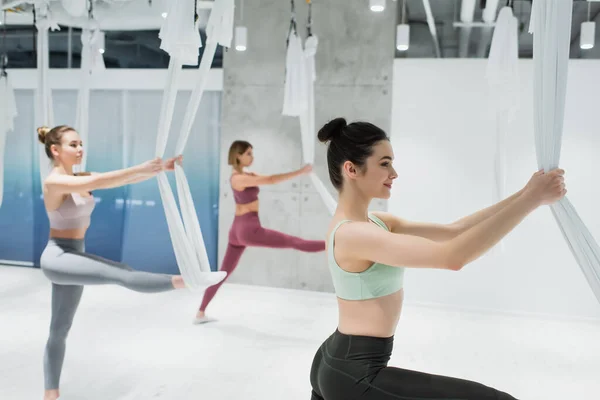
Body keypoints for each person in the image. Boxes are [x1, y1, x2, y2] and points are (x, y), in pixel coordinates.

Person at [309, 118, 566, 400]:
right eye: (384, 163)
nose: (394, 173)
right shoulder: (354, 234)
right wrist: (530, 201)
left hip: (338, 359)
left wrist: (528, 194)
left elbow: (453, 231)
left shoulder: (376, 223)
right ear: (351, 169)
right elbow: (453, 257)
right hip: (354, 373)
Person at [37, 125, 225, 400]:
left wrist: (161, 169)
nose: (80, 149)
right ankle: (187, 280)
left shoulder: (80, 177)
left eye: (81, 144)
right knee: (121, 273)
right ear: (55, 150)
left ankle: (50, 394)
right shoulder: (54, 182)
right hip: (58, 257)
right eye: (73, 145)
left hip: (75, 252)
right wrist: (144, 165)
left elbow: (115, 181)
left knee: (59, 328)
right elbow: (100, 182)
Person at [194, 140, 326, 324]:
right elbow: (271, 179)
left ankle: (200, 313)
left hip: (237, 230)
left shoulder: (243, 175)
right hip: (248, 229)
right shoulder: (238, 178)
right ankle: (334, 244)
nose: (252, 157)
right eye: (248, 153)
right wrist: (301, 171)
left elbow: (264, 177)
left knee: (223, 273)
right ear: (238, 155)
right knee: (295, 242)